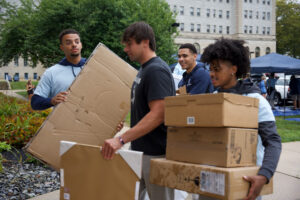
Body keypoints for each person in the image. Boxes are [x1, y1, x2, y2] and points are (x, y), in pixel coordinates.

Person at [200, 38, 281, 200]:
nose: (211, 73)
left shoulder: (255, 101)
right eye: (210, 68)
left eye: (216, 68)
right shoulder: (214, 98)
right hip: (211, 181)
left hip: (243, 183)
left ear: (233, 69)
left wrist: (264, 175)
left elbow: (273, 141)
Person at [101, 21, 175, 200]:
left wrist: (121, 139)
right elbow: (143, 110)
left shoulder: (156, 70)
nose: (126, 49)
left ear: (145, 42)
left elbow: (159, 114)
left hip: (157, 155)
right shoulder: (144, 70)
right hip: (141, 152)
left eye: (129, 44)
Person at [31, 29, 86, 110]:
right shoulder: (51, 72)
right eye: (68, 43)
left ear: (81, 45)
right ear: (62, 47)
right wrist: (51, 101)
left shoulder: (94, 67)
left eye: (77, 42)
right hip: (66, 121)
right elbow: (35, 103)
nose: (74, 45)